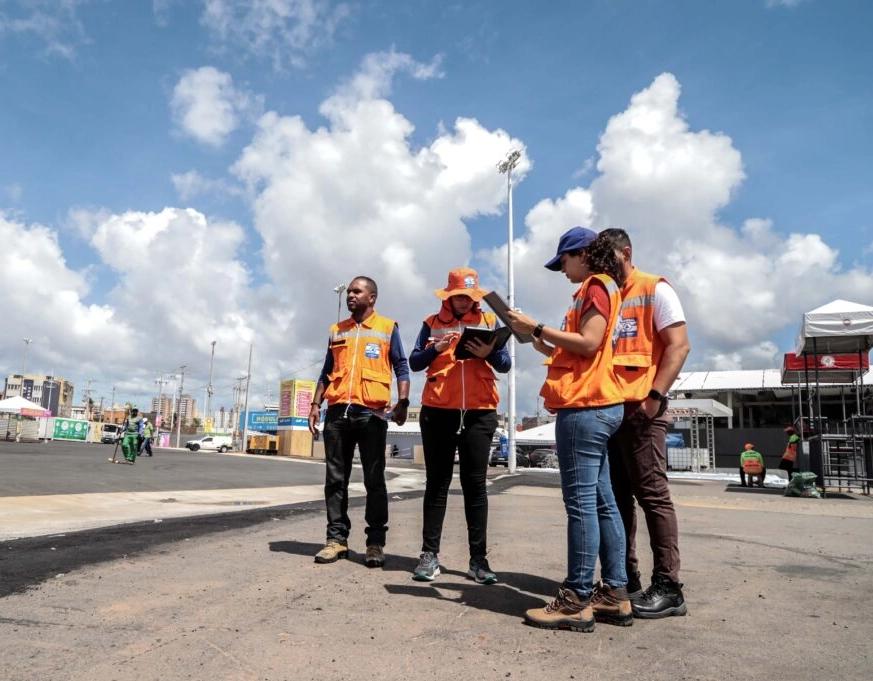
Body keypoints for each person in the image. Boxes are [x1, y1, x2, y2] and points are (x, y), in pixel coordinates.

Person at [507, 226, 632, 632]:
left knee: (581, 505)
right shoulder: (601, 288)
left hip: (585, 405)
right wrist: (536, 339)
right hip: (602, 403)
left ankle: (576, 598)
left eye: (563, 260)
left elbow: (590, 342)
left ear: (582, 254)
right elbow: (578, 347)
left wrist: (537, 326)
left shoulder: (595, 286)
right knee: (603, 502)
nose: (561, 269)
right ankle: (614, 594)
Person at [598, 227, 691, 620]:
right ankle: (626, 578)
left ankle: (669, 587)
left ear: (627, 252)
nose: (606, 271)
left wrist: (655, 398)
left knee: (652, 495)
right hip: (610, 411)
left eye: (611, 263)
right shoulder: (607, 297)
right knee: (618, 500)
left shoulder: (655, 289)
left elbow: (679, 345)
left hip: (642, 412)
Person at [408, 268, 511, 584]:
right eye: (458, 296)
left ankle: (478, 560)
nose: (464, 301)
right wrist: (435, 349)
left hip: (479, 414)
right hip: (438, 411)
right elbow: (414, 362)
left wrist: (490, 352)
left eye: (469, 296)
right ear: (449, 296)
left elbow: (505, 365)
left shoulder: (489, 321)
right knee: (437, 484)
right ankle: (429, 555)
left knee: (475, 485)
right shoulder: (431, 323)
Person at [307, 276, 411, 568]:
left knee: (374, 481)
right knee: (335, 480)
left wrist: (402, 402)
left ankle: (375, 543)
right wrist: (316, 404)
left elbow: (402, 365)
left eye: (357, 291)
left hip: (371, 414)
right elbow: (327, 371)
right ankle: (336, 541)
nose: (351, 295)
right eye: (349, 291)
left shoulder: (387, 328)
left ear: (372, 297)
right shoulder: (336, 330)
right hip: (338, 412)